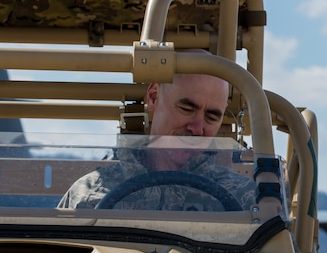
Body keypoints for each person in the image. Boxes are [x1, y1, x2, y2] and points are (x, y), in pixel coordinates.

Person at [60, 70, 258, 212]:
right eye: (187, 109)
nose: (197, 128)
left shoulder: (245, 201)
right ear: (154, 97)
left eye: (211, 117)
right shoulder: (89, 196)